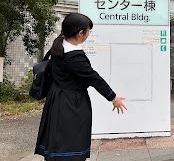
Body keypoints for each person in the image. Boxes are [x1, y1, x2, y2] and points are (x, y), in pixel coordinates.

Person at [34, 13, 127, 161]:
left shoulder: (60, 46)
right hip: (70, 104)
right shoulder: (73, 56)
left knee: (59, 142)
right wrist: (113, 97)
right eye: (88, 30)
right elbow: (93, 77)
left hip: (57, 99)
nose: (89, 33)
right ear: (80, 33)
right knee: (70, 144)